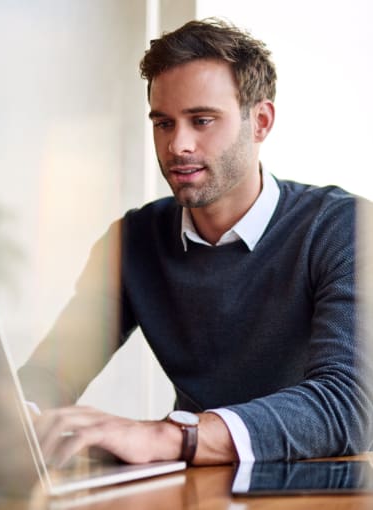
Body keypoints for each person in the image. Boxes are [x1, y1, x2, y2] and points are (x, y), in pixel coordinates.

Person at [18, 18, 372, 467]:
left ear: (260, 122)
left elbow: (348, 406)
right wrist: (19, 416)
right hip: (194, 489)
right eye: (163, 123)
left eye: (202, 120)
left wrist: (174, 435)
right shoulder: (134, 241)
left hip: (317, 491)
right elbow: (52, 372)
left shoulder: (343, 228)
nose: (177, 145)